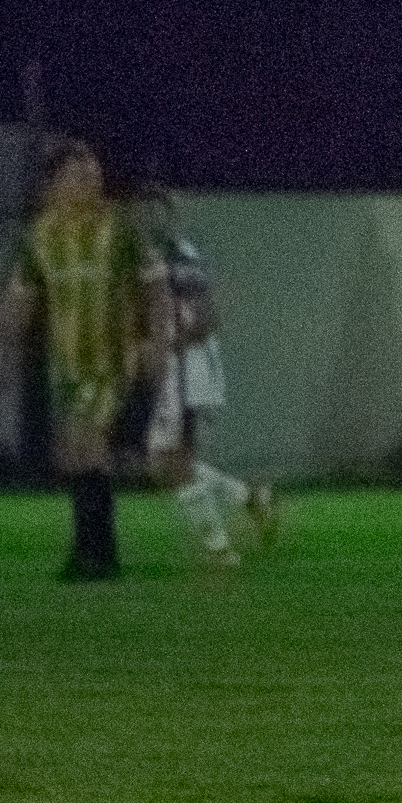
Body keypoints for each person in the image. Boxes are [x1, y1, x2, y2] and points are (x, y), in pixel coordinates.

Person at [1, 141, 146, 580]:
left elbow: (151, 282)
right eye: (80, 175)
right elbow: (24, 294)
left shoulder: (118, 230)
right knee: (72, 454)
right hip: (64, 366)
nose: (90, 182)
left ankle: (98, 557)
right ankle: (91, 552)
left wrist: (150, 338)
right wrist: (7, 350)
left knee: (89, 447)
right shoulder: (41, 236)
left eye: (94, 175)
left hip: (109, 361)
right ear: (55, 183)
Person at [136, 191, 275, 565]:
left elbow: (204, 316)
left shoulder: (164, 258)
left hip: (182, 368)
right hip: (191, 365)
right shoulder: (187, 254)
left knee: (171, 462)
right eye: (146, 209)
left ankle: (219, 548)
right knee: (165, 460)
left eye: (157, 210)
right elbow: (210, 312)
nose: (150, 217)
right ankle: (248, 498)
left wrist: (165, 343)